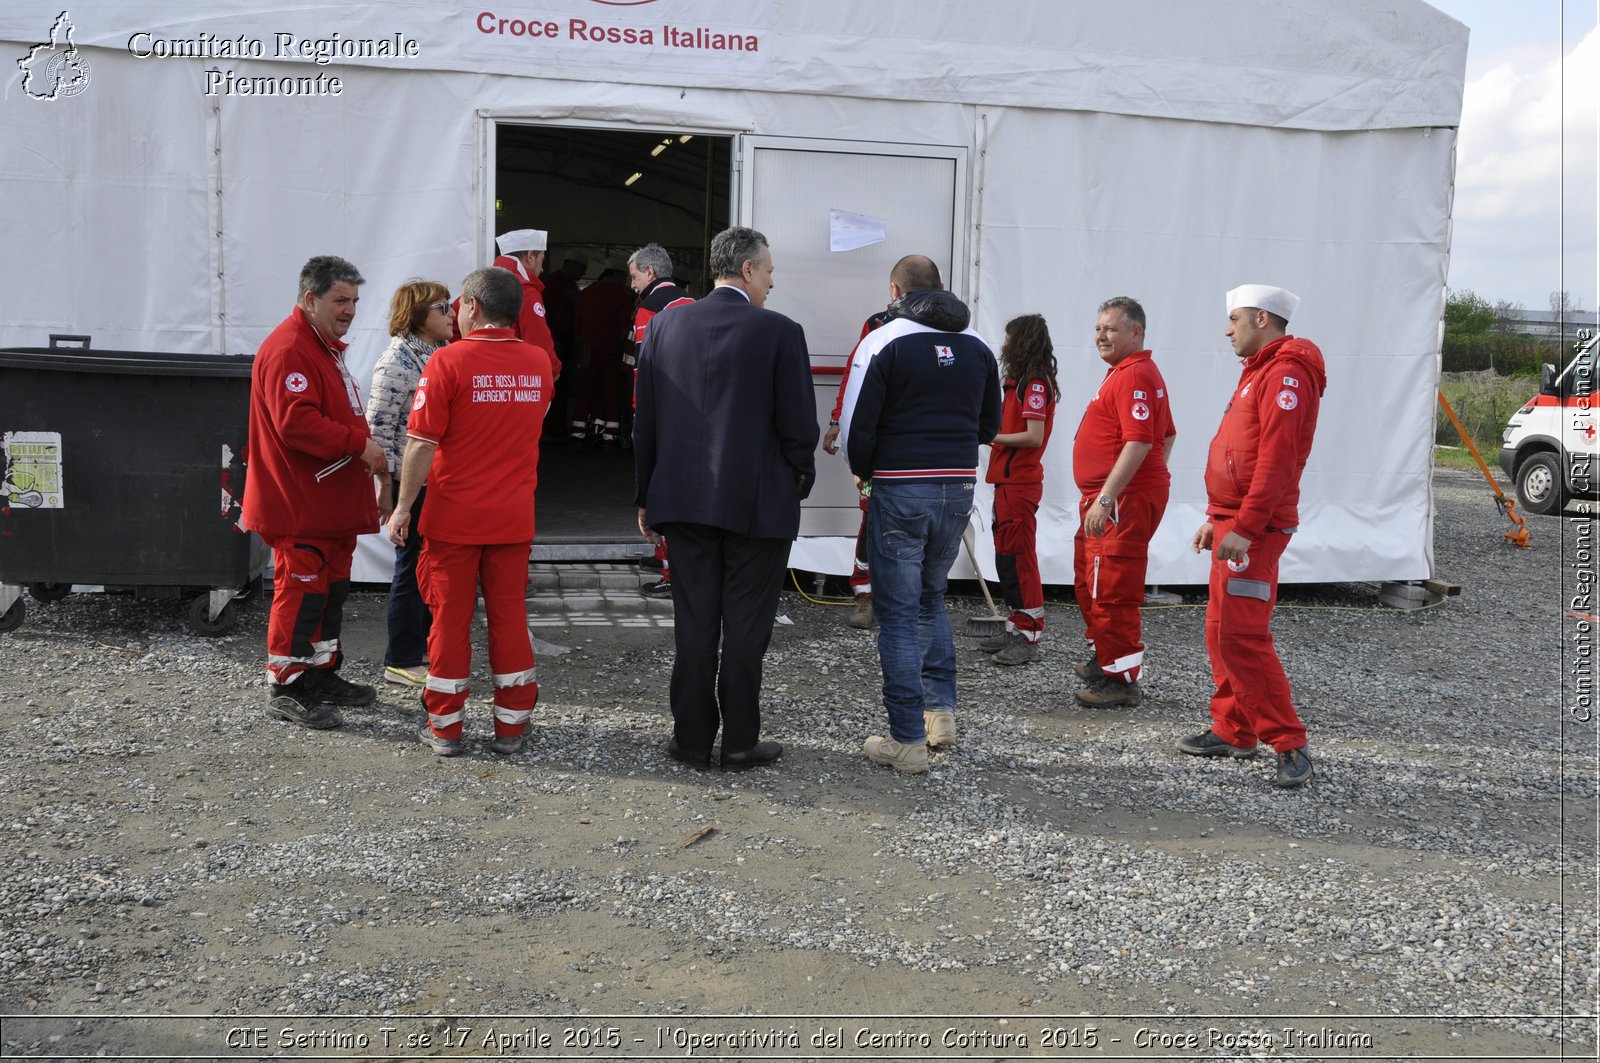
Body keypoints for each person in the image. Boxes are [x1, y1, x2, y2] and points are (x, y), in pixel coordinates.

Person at [633, 226, 818, 772]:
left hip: (684, 502)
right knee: (746, 625)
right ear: (745, 270)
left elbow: (648, 421)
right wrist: (794, 484)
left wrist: (647, 494)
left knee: (694, 622)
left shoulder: (664, 325)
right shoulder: (780, 332)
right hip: (757, 507)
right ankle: (739, 740)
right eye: (768, 271)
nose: (771, 282)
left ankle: (690, 739)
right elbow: (798, 427)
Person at [386, 266, 555, 757]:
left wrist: (401, 508)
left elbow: (419, 445)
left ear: (473, 307)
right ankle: (511, 726)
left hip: (454, 519)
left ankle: (445, 727)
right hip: (512, 517)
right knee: (508, 617)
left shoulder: (446, 363)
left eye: (457, 304)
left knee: (449, 621)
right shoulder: (539, 364)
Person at [844, 276, 1001, 773]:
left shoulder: (884, 340)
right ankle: (941, 716)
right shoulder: (977, 344)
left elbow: (855, 425)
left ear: (898, 297)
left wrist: (867, 470)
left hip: (900, 484)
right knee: (932, 599)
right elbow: (989, 425)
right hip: (956, 488)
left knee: (896, 613)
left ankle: (907, 740)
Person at [1177, 284, 1326, 789]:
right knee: (1221, 630)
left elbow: (1277, 462)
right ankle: (1234, 729)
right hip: (1235, 520)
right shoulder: (1260, 372)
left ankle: (1289, 744)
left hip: (1253, 529)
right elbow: (1243, 454)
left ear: (1263, 318)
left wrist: (1244, 526)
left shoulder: (1284, 374)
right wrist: (1218, 517)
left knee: (1242, 635)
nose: (1227, 329)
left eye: (1234, 319)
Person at [242, 255, 389, 729]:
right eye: (340, 300)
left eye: (354, 301)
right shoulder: (291, 350)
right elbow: (296, 424)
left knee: (331, 593)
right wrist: (359, 445)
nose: (350, 310)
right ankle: (285, 685)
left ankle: (321, 673)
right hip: (299, 504)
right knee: (302, 594)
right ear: (310, 299)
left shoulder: (320, 346)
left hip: (327, 505)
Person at [1069, 296, 1176, 708]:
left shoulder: (1134, 375)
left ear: (1136, 332)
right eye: (1098, 328)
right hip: (1113, 498)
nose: (1100, 336)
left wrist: (1113, 495)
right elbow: (1166, 436)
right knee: (1090, 579)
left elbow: (1141, 440)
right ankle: (1107, 655)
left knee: (1112, 585)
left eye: (1110, 329)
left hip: (1118, 501)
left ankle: (1121, 679)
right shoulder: (1128, 372)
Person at [821, 256, 937, 630]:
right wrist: (840, 421)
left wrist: (841, 423)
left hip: (916, 449)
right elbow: (856, 376)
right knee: (874, 516)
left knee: (905, 520)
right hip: (899, 448)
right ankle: (867, 595)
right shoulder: (879, 325)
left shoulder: (953, 327)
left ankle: (909, 601)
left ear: (895, 290)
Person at [364, 279, 452, 689]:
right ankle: (400, 658)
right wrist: (387, 487)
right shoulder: (397, 360)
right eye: (442, 307)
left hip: (435, 480)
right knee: (410, 567)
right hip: (409, 481)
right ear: (418, 315)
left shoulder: (437, 353)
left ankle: (422, 649)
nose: (451, 313)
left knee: (429, 566)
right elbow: (377, 430)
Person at [978, 314, 1060, 666]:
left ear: (1023, 341)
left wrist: (989, 436)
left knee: (1019, 557)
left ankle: (1029, 632)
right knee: (1006, 555)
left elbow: (1033, 436)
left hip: (1020, 482)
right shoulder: (1019, 382)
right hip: (1008, 481)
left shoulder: (1035, 384)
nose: (1005, 345)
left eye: (1010, 338)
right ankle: (1016, 625)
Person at [627, 243, 697, 599]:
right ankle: (665, 558)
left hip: (660, 412)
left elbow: (643, 365)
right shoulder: (693, 303)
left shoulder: (649, 307)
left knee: (658, 488)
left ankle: (671, 572)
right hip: (693, 413)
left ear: (651, 273)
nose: (633, 285)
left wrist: (640, 411)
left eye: (635, 276)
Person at [453, 228, 560, 378]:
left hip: (471, 376)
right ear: (530, 256)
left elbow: (451, 324)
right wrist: (554, 370)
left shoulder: (478, 283)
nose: (542, 269)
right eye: (542, 259)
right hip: (509, 377)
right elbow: (538, 340)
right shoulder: (526, 290)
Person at [570, 265, 635, 448]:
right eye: (623, 278)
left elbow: (577, 327)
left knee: (585, 392)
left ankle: (578, 433)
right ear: (614, 275)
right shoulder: (622, 296)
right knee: (612, 393)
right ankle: (610, 436)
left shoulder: (586, 294)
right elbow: (624, 329)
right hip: (612, 351)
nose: (625, 282)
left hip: (588, 351)